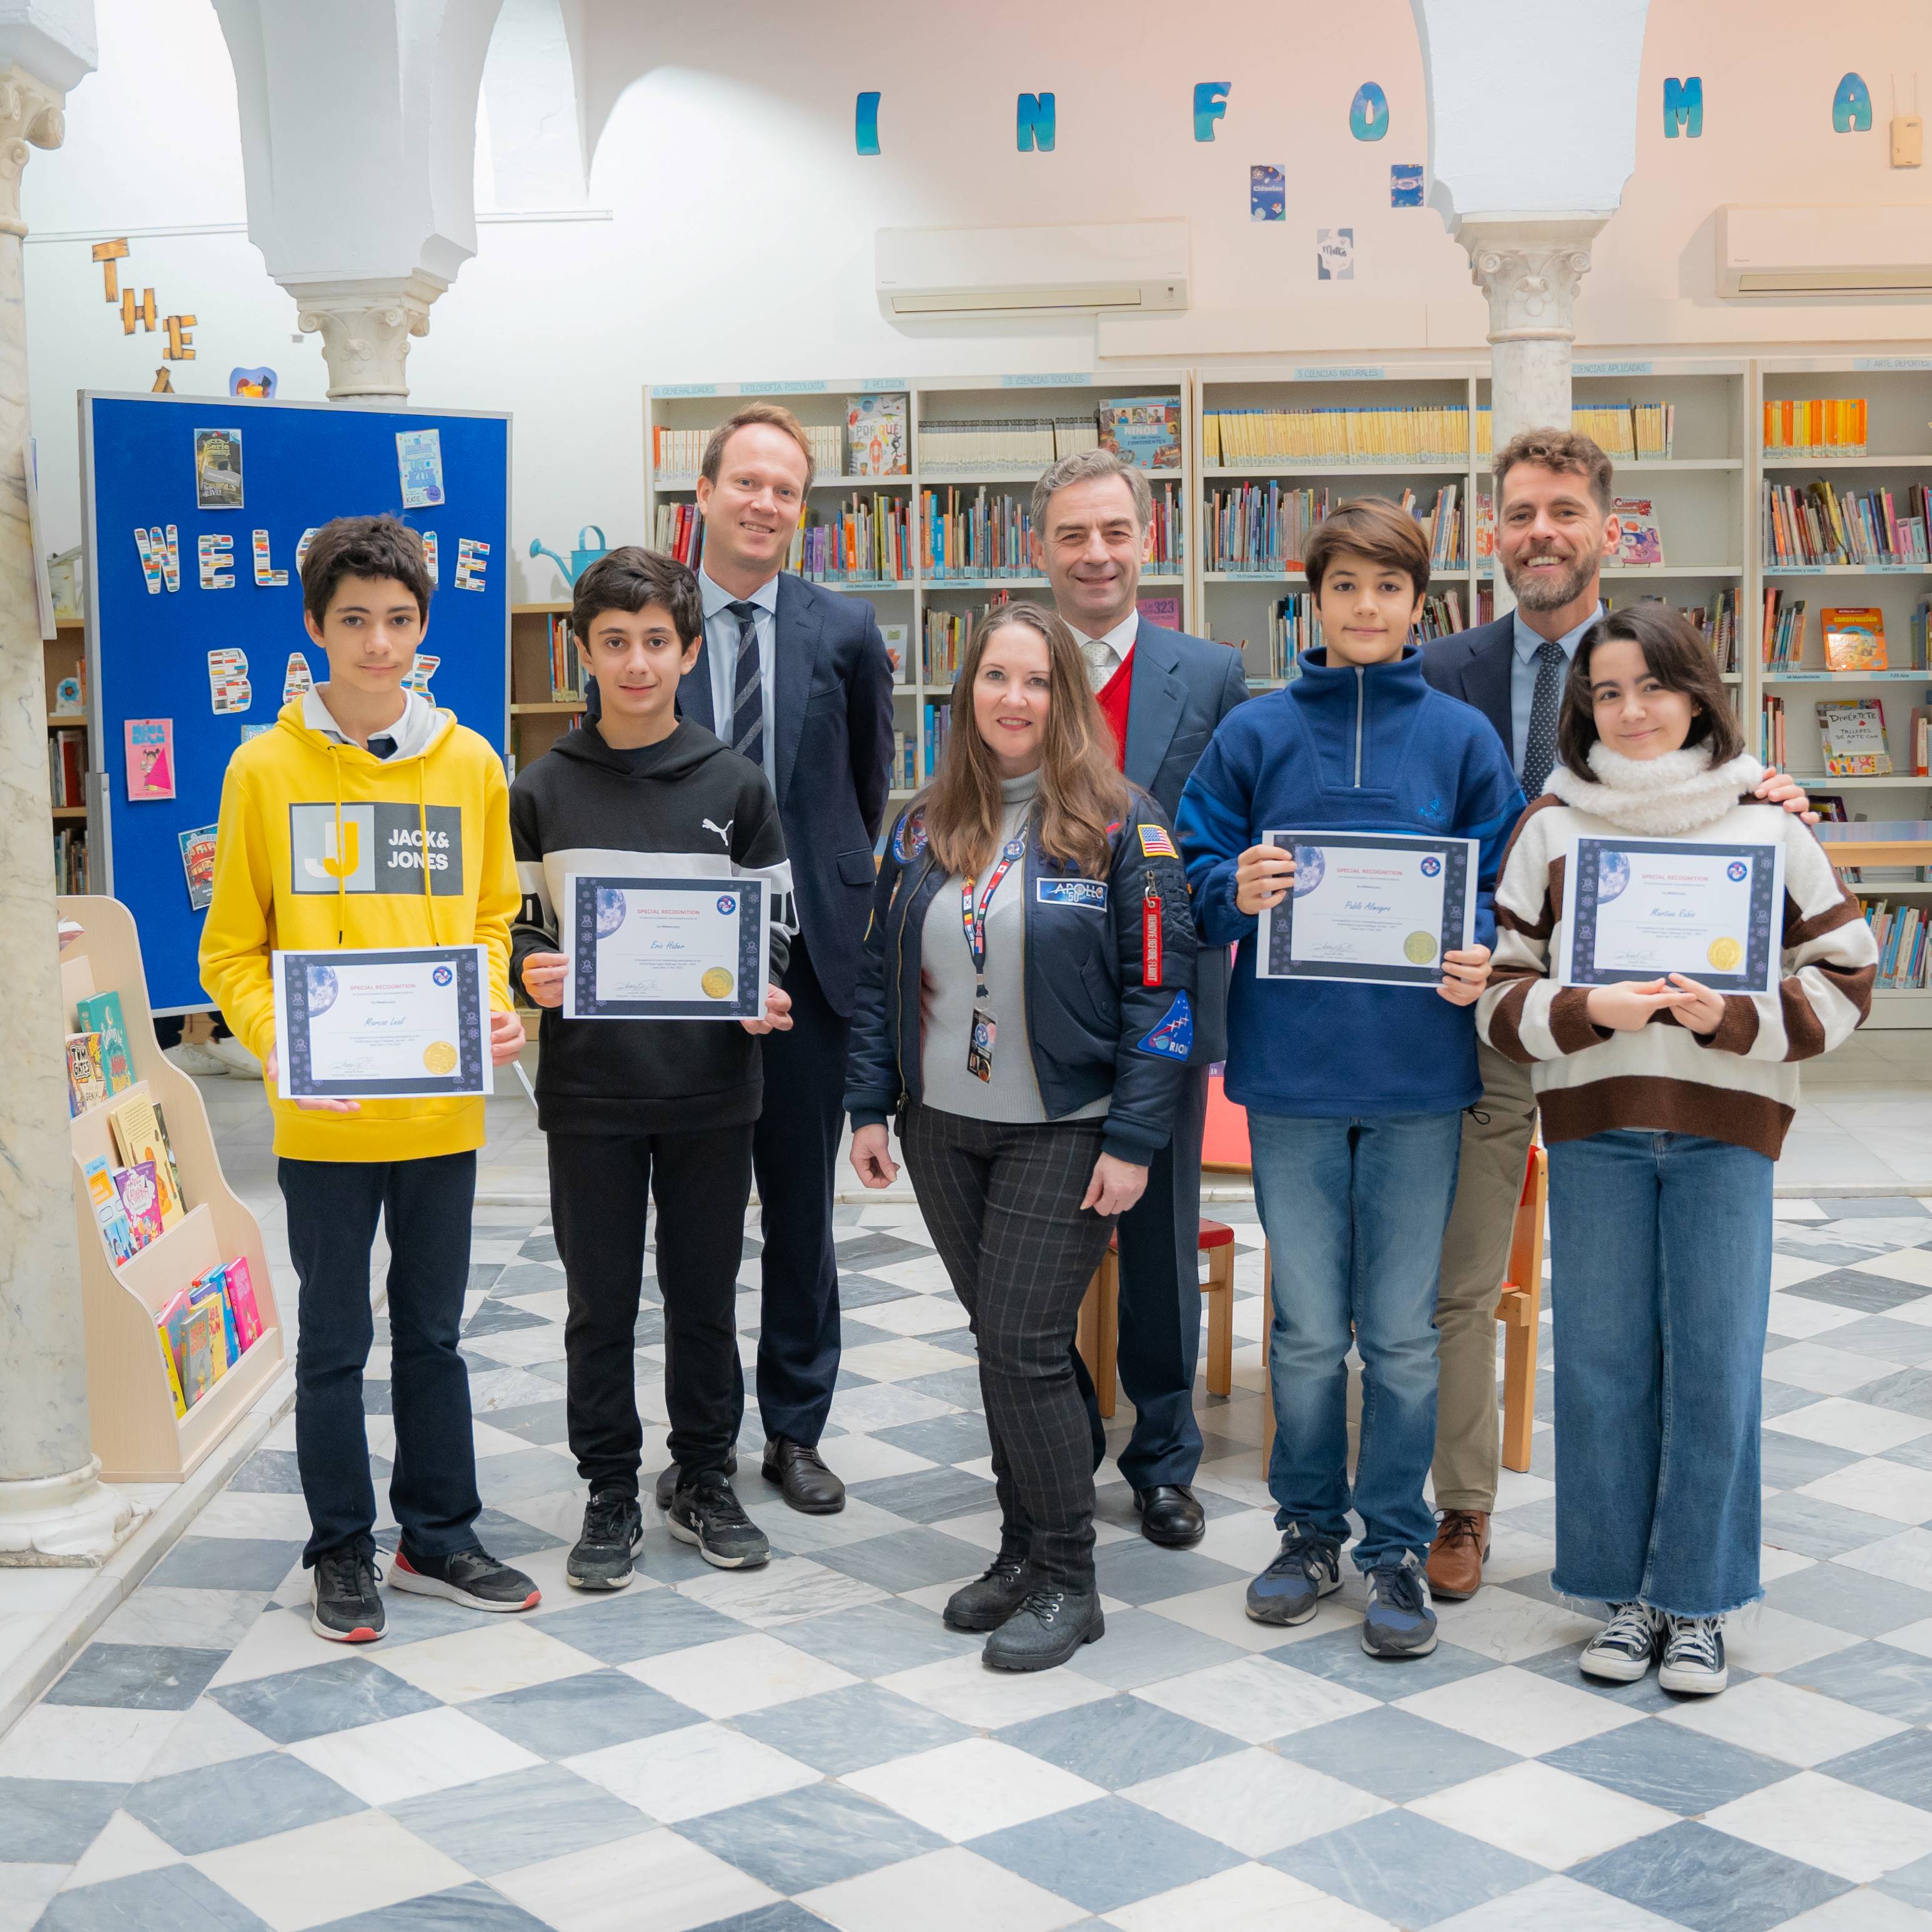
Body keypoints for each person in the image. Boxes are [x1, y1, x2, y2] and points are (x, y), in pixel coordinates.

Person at [1419, 429, 1815, 1601]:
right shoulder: (1440, 672)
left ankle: (1685, 1580)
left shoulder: (1671, 701)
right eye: (1517, 513)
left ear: (1606, 526)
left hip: (1669, 1062)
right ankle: (1468, 1509)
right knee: (1483, 1287)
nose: (1539, 532)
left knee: (1685, 1338)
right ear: (1490, 531)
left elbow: (1747, 855)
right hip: (1504, 1016)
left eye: (1563, 512)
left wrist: (1763, 796)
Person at [1479, 603, 1874, 1693]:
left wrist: (1735, 1020)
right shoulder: (1551, 829)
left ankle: (1693, 1601)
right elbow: (1500, 995)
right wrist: (1587, 1008)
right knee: (1601, 1365)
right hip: (1596, 1131)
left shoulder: (1767, 822)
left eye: (1651, 686)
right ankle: (1615, 1591)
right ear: (1582, 707)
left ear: (1695, 691)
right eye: (1606, 692)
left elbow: (1847, 971)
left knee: (1712, 1365)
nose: (1631, 710)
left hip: (1723, 1131)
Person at [1177, 498, 1522, 1661]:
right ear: (1309, 600)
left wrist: (1476, 941)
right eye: (1344, 588)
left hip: (1422, 1073)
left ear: (1421, 603)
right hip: (1292, 1074)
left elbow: (1502, 876)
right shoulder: (1258, 732)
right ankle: (1305, 1532)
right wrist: (1240, 890)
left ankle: (1392, 1546)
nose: (1366, 608)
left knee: (1405, 1333)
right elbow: (1196, 863)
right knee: (1310, 1327)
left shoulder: (1464, 737)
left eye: (1388, 588)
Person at [200, 515, 536, 1642]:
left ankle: (438, 1533)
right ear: (314, 628)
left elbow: (489, 919)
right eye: (354, 622)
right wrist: (282, 1043)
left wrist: (490, 1000)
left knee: (435, 1334)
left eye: (398, 621)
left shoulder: (472, 762)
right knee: (336, 1341)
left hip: (440, 1111)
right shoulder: (264, 766)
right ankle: (340, 1547)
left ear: (423, 630)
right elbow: (231, 952)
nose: (378, 645)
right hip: (324, 1118)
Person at [845, 602, 1196, 1671]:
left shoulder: (1121, 825)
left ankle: (1069, 1578)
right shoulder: (919, 825)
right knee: (1002, 1348)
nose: (1013, 698)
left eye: (1036, 681)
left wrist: (1134, 1140)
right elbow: (876, 979)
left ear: (1064, 699)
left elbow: (1161, 998)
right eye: (994, 678)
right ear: (966, 697)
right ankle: (1018, 1548)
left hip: (1067, 1127)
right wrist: (868, 1104)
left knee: (1025, 1345)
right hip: (943, 1126)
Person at [510, 548, 796, 1583]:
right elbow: (515, 930)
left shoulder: (735, 783)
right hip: (589, 1092)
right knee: (598, 1299)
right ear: (581, 650)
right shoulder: (539, 790)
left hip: (713, 1091)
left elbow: (776, 927)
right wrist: (527, 972)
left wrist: (761, 988)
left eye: (656, 642)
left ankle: (706, 1477)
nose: (637, 663)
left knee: (704, 1292)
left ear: (687, 650)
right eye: (614, 642)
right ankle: (607, 1486)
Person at [632, 403, 894, 1517]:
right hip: (680, 961)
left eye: (786, 489)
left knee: (800, 1212)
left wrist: (824, 900)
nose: (765, 504)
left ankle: (795, 1431)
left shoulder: (845, 629)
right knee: (696, 1217)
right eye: (747, 482)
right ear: (703, 494)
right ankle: (704, 1437)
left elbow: (867, 783)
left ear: (803, 508)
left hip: (810, 963)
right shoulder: (652, 623)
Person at [1031, 448, 1247, 1548]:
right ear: (1040, 550)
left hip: (1162, 998)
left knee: (1158, 1238)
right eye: (1072, 534)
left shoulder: (1208, 671)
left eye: (1113, 530)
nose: (1095, 553)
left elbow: (1220, 836)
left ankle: (1163, 1458)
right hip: (1028, 1002)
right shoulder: (1011, 668)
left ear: (1145, 540)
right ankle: (1061, 1424)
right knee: (1028, 1236)